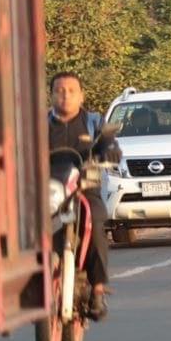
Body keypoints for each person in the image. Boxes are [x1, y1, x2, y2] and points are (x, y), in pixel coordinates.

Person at [48, 72, 111, 320]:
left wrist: (110, 151)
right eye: (59, 90)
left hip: (85, 188)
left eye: (71, 91)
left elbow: (108, 142)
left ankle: (97, 289)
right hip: (49, 192)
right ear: (51, 94)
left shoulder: (94, 121)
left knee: (95, 222)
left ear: (81, 95)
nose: (65, 96)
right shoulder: (39, 123)